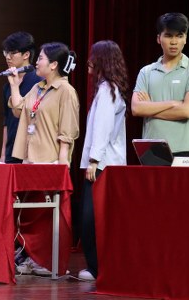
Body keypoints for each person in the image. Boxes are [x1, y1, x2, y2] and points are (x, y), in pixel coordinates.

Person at [7, 41, 80, 275]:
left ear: (54, 64)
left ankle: (49, 262)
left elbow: (68, 130)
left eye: (40, 58)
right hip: (30, 159)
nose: (37, 62)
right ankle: (33, 257)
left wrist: (62, 163)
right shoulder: (37, 88)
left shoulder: (65, 91)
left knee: (48, 214)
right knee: (31, 213)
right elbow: (18, 109)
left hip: (50, 161)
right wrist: (15, 85)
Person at [78, 40, 128, 282]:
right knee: (94, 216)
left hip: (102, 164)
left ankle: (97, 267)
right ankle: (97, 266)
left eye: (93, 56)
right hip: (103, 163)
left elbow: (103, 128)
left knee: (92, 217)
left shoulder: (108, 90)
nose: (89, 61)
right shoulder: (107, 89)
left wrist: (94, 160)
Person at [131, 12, 189, 156]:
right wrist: (173, 103)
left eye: (179, 36)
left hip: (185, 149)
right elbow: (137, 109)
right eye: (168, 36)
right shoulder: (146, 72)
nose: (174, 41)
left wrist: (150, 108)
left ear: (185, 39)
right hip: (151, 149)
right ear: (158, 38)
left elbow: (187, 111)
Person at [0, 31, 42, 163]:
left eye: (12, 53)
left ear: (26, 55)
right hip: (11, 152)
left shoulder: (39, 83)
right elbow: (7, 122)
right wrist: (3, 155)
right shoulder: (8, 85)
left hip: (31, 152)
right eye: (6, 52)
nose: (8, 57)